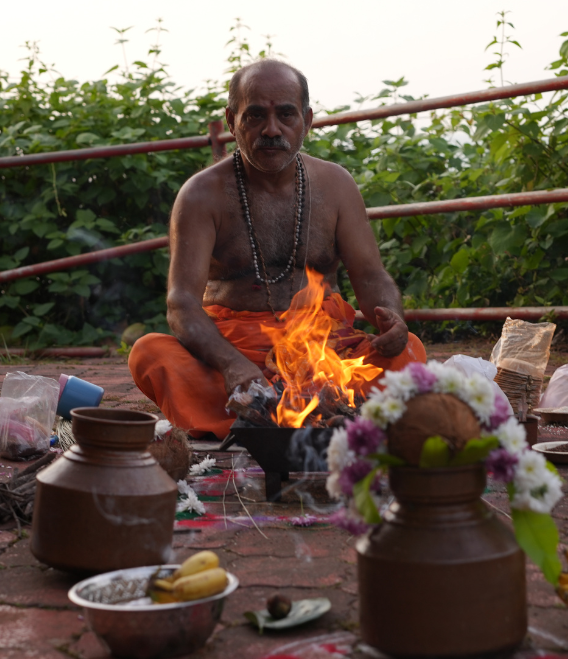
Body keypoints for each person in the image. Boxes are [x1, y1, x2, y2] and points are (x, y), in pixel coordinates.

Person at [129, 60, 426, 438]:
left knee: (407, 351)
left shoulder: (335, 185)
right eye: (255, 116)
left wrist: (394, 320)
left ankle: (264, 421)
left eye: (286, 114)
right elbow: (182, 303)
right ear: (232, 121)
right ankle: (321, 416)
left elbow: (370, 275)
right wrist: (232, 365)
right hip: (236, 353)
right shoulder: (201, 195)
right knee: (150, 353)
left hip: (324, 352)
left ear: (307, 119)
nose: (271, 129)